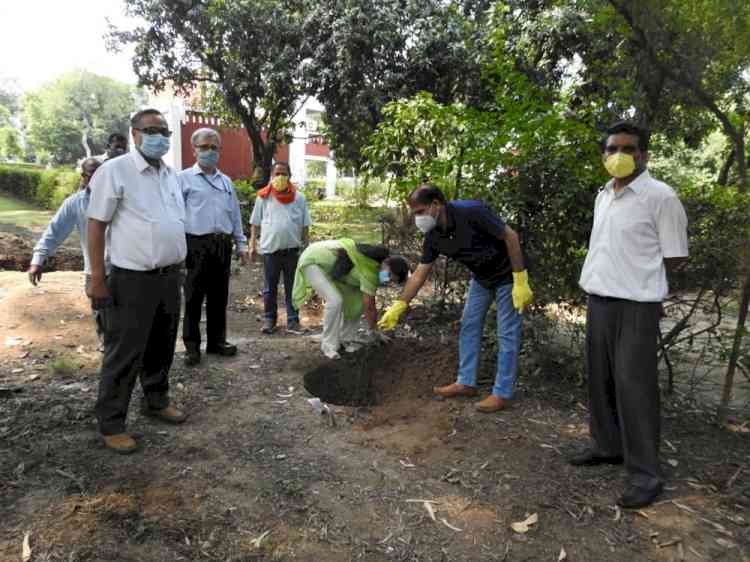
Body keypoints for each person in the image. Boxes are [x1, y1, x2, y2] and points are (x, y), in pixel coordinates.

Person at [571, 121, 688, 509]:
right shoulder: (603, 195)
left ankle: (645, 475)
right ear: (604, 154)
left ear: (644, 155)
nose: (619, 155)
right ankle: (607, 446)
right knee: (600, 379)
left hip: (636, 305)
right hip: (599, 299)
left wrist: (644, 285)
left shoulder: (661, 197)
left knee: (634, 387)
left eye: (629, 148)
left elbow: (675, 256)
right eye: (612, 148)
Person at [378, 186, 534, 413]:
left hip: (508, 275)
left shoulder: (472, 211)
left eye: (420, 211)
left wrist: (520, 279)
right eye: (414, 213)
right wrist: (400, 305)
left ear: (436, 204)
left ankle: (502, 393)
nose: (417, 217)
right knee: (469, 325)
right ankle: (466, 382)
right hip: (481, 278)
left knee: (506, 333)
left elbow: (510, 236)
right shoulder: (433, 236)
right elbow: (421, 273)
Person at [86, 108, 187, 454]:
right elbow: (96, 225)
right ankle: (112, 423)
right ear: (134, 134)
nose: (159, 136)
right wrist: (96, 277)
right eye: (151, 130)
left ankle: (156, 401)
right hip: (132, 280)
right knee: (125, 351)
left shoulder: (169, 175)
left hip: (169, 277)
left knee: (162, 344)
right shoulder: (115, 172)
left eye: (164, 131)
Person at [179, 127, 249, 366]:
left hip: (222, 245)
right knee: (193, 297)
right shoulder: (183, 180)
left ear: (219, 150)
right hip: (195, 245)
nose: (209, 151)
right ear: (194, 149)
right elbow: (177, 216)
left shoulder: (226, 181)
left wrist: (241, 243)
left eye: (214, 147)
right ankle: (191, 347)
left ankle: (217, 342)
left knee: (219, 297)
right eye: (204, 147)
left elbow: (235, 215)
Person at [27, 157, 105, 344]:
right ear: (83, 177)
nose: (96, 178)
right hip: (94, 271)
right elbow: (54, 231)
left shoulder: (121, 198)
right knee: (103, 323)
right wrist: (37, 260)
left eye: (100, 174)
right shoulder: (75, 203)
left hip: (124, 270)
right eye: (91, 174)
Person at [292, 239, 409, 359]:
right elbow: (370, 306)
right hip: (314, 261)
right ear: (386, 262)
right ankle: (329, 346)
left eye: (391, 280)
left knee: (357, 303)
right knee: (335, 301)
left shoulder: (375, 264)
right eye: (389, 275)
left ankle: (345, 339)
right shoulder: (370, 268)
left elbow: (364, 303)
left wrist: (374, 329)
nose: (387, 279)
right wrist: (375, 332)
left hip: (335, 271)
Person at [250, 162, 312, 335]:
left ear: (289, 176)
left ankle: (293, 320)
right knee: (270, 287)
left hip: (292, 251)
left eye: (283, 174)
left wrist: (306, 246)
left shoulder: (299, 198)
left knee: (293, 287)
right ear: (271, 176)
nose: (280, 177)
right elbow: (255, 223)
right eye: (277, 174)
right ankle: (270, 320)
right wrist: (252, 245)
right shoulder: (263, 197)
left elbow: (305, 225)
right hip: (271, 251)